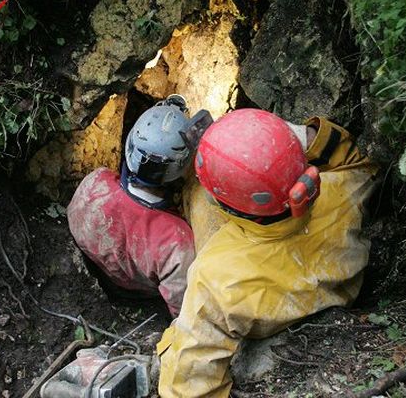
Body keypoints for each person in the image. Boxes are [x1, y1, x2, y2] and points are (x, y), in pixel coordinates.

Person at [157, 108, 378, 397]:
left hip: (263, 290)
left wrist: (171, 342)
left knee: (197, 193)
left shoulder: (214, 279)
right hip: (340, 285)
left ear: (226, 206)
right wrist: (279, 140)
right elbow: (352, 156)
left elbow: (185, 386)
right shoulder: (346, 188)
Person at [67, 95, 196, 317]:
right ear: (181, 169)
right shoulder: (177, 240)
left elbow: (74, 221)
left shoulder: (96, 183)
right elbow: (182, 307)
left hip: (96, 268)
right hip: (139, 295)